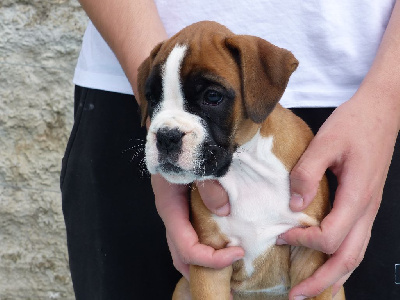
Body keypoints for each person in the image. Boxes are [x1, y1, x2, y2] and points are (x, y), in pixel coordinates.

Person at [61, 1, 400, 299]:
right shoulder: (164, 117)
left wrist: (387, 96)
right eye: (157, 97)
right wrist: (155, 106)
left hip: (363, 98)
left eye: (211, 98)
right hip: (127, 55)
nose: (171, 127)